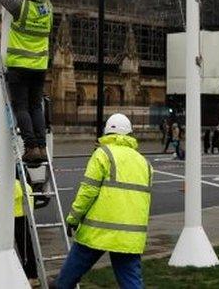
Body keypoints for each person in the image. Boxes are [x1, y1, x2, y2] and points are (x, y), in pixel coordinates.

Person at [55, 114, 152, 289]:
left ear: (106, 132)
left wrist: (73, 218)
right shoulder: (144, 163)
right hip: (130, 235)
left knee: (65, 280)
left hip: (97, 231)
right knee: (131, 282)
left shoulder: (103, 154)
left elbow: (88, 191)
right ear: (130, 134)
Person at [0, 0, 53, 164]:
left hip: (19, 66)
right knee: (36, 107)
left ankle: (30, 146)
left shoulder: (21, 7)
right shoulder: (48, 10)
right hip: (39, 68)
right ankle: (42, 146)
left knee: (21, 107)